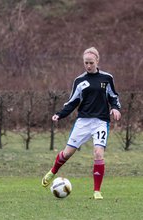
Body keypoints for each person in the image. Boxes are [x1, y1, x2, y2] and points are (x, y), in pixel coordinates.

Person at [41, 47, 121, 200]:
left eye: (91, 62)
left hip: (101, 122)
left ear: (97, 61)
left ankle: (97, 191)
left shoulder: (107, 78)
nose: (88, 65)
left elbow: (113, 96)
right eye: (86, 63)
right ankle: (52, 172)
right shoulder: (80, 81)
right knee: (67, 154)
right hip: (83, 122)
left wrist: (116, 108)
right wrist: (60, 114)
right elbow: (73, 102)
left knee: (98, 153)